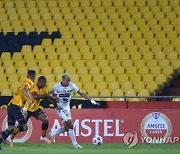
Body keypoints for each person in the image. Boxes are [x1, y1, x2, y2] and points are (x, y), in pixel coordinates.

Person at [49, 73, 100, 148]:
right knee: (71, 124)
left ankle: (53, 133)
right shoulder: (56, 86)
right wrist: (55, 101)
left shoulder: (72, 86)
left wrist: (92, 101)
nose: (69, 82)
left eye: (69, 80)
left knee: (67, 128)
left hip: (67, 108)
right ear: (63, 79)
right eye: (67, 80)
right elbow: (49, 95)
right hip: (60, 108)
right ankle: (75, 144)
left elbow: (81, 93)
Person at [9, 76, 59, 146]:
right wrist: (47, 95)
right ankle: (11, 138)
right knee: (22, 126)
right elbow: (36, 96)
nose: (45, 85)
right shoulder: (33, 86)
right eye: (44, 83)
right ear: (40, 82)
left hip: (35, 109)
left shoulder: (43, 89)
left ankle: (43, 136)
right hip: (27, 108)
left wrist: (54, 103)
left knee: (45, 120)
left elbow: (47, 97)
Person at [0, 70, 36, 149]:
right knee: (25, 126)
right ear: (33, 76)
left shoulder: (21, 84)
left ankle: (1, 139)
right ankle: (3, 134)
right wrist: (29, 98)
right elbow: (25, 89)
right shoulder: (28, 81)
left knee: (10, 127)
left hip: (11, 105)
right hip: (16, 106)